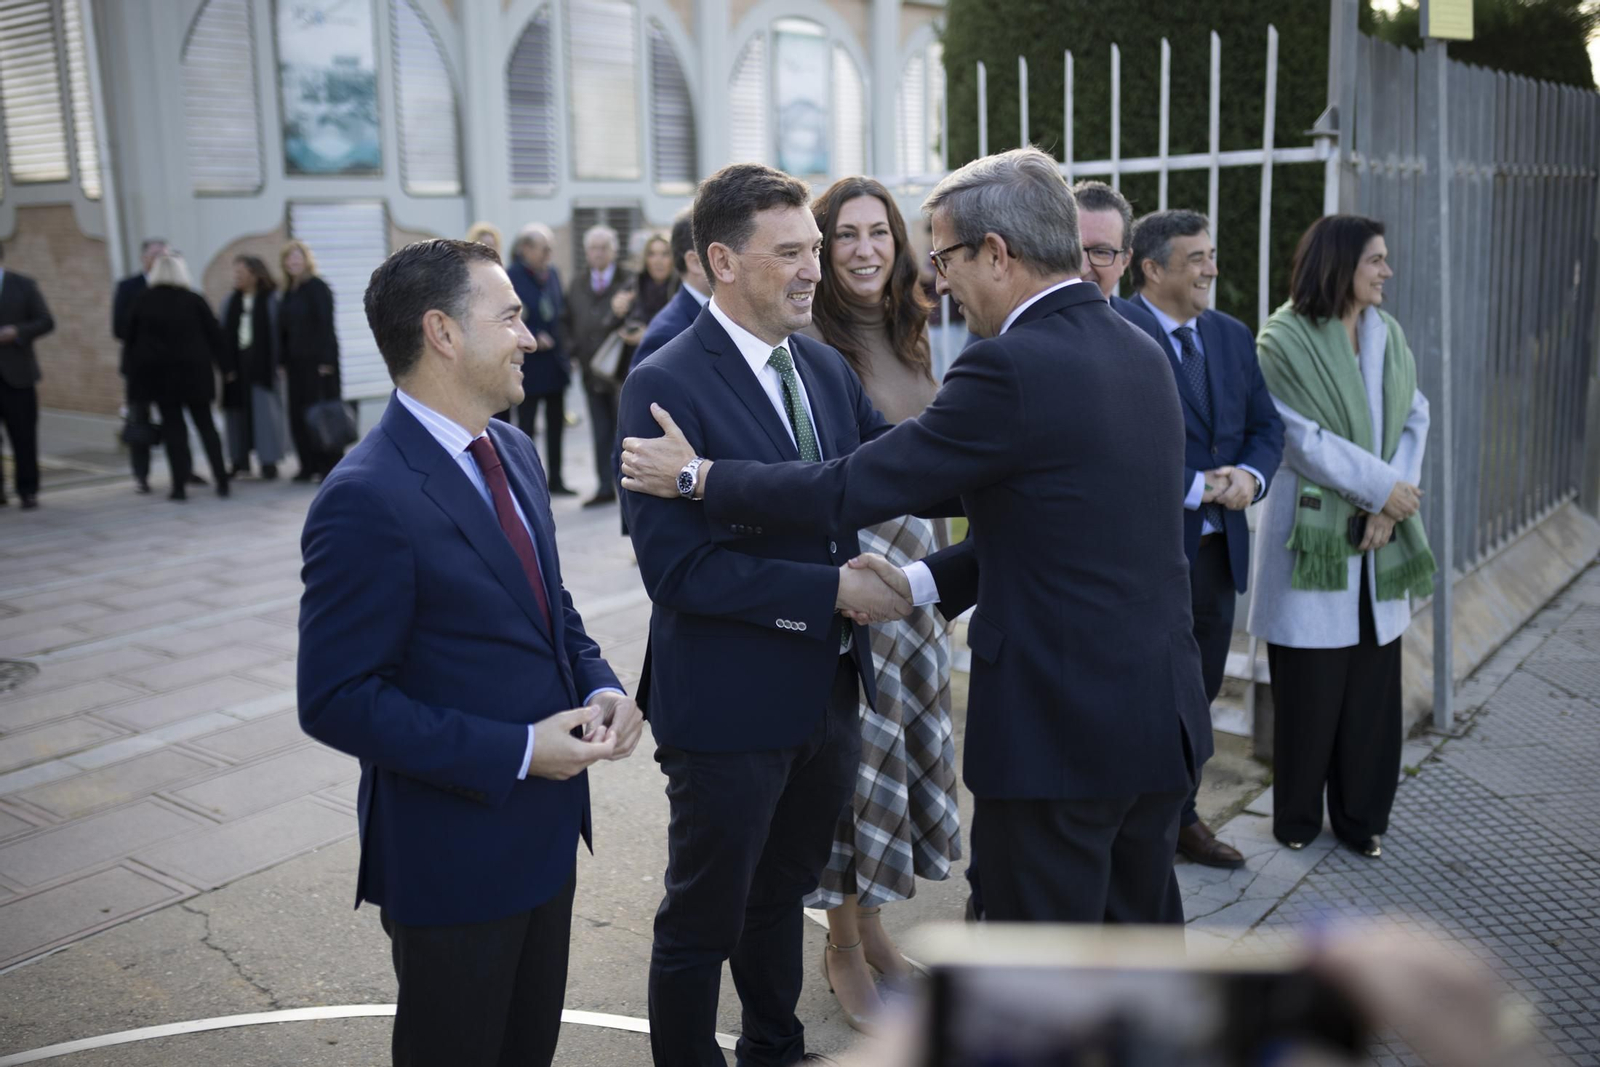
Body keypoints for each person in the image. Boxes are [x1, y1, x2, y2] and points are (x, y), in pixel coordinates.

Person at [622, 148, 1212, 927]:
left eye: (943, 257)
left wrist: (699, 477)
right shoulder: (1136, 349)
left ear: (995, 254)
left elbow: (851, 486)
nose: (938, 282)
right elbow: (1056, 530)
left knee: (1032, 978)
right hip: (1156, 722)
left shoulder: (1010, 366)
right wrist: (922, 585)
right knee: (1138, 957)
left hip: (1059, 737)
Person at [298, 238, 643, 1067]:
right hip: (452, 859)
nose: (530, 336)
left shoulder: (515, 450)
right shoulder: (364, 496)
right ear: (443, 333)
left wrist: (600, 684)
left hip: (544, 841)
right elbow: (337, 696)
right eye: (512, 316)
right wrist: (522, 749)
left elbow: (547, 607)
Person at [616, 162, 911, 1067]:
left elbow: (880, 472)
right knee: (703, 913)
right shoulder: (662, 382)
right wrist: (828, 593)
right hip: (726, 703)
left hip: (825, 691)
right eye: (789, 252)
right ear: (720, 261)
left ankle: (775, 1047)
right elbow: (681, 570)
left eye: (813, 250)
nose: (814, 269)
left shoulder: (820, 364)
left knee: (782, 890)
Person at [801, 175, 958, 1032]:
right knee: (855, 772)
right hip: (859, 575)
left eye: (879, 233)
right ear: (822, 248)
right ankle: (842, 947)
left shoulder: (913, 327)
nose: (865, 250)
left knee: (896, 766)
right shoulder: (813, 342)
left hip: (920, 577)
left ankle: (878, 930)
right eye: (846, 235)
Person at [1249, 215, 1432, 860]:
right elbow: (1299, 439)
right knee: (1310, 694)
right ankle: (1296, 818)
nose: (1386, 271)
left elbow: (1416, 414)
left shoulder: (1388, 333)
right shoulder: (1283, 340)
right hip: (1313, 541)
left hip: (1380, 540)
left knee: (1372, 700)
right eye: (1376, 260)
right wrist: (1381, 489)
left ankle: (1361, 820)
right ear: (1340, 264)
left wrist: (1394, 501)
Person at [1125, 209, 1284, 870]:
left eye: (1211, 255)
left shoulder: (1230, 335)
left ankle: (1182, 817)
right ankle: (1139, 828)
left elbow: (1266, 427)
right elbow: (1121, 446)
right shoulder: (1119, 334)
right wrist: (1196, 485)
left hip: (1219, 554)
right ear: (1152, 268)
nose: (1211, 269)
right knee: (1146, 695)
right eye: (1196, 258)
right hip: (1152, 554)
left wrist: (1249, 476)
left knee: (1203, 690)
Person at [125, 254, 230, 501]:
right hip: (196, 375)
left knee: (174, 432)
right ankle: (222, 480)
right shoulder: (194, 300)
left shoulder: (143, 301)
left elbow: (131, 342)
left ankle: (179, 486)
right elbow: (216, 335)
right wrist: (226, 368)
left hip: (162, 379)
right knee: (206, 426)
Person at [566, 225, 634, 508]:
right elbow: (565, 319)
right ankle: (604, 485)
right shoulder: (578, 282)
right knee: (599, 430)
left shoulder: (629, 280)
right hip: (590, 370)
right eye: (593, 248)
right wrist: (573, 350)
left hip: (620, 371)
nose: (597, 253)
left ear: (614, 251)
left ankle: (627, 486)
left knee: (626, 430)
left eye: (603, 247)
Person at [506, 223, 574, 494]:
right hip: (529, 365)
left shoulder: (553, 274)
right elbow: (509, 317)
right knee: (526, 428)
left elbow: (560, 312)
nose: (548, 254)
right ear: (525, 249)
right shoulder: (511, 277)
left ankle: (556, 480)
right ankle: (528, 483)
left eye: (550, 249)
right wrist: (533, 334)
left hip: (554, 364)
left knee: (557, 426)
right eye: (543, 249)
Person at [279, 240, 344, 481]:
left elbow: (326, 326)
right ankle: (307, 465)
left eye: (297, 257)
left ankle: (329, 465)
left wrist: (327, 361)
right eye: (289, 258)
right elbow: (284, 331)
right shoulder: (288, 291)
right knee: (299, 414)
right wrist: (282, 362)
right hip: (296, 364)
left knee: (321, 413)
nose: (293, 262)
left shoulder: (318, 287)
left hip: (319, 363)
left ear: (306, 260)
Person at [219, 255, 286, 480]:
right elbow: (223, 335)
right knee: (237, 413)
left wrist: (280, 363)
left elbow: (280, 335)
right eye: (235, 273)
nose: (236, 277)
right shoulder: (231, 301)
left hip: (262, 364)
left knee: (265, 412)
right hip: (237, 365)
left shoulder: (271, 300)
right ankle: (239, 460)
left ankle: (269, 462)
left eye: (241, 273)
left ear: (255, 275)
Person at [0, 242, 54, 510]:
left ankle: (28, 490)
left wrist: (18, 332)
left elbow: (45, 321)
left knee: (23, 435)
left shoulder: (23, 285)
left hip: (18, 375)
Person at [113, 238, 168, 494]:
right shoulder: (128, 287)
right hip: (139, 368)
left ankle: (183, 469)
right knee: (138, 421)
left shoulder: (175, 287)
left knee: (175, 420)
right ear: (143, 258)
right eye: (154, 254)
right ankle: (141, 476)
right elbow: (119, 328)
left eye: (163, 255)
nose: (159, 259)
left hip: (170, 369)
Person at [629, 207, 711, 371]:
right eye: (718, 252)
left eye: (664, 254)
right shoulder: (666, 334)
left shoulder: (711, 313)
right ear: (695, 262)